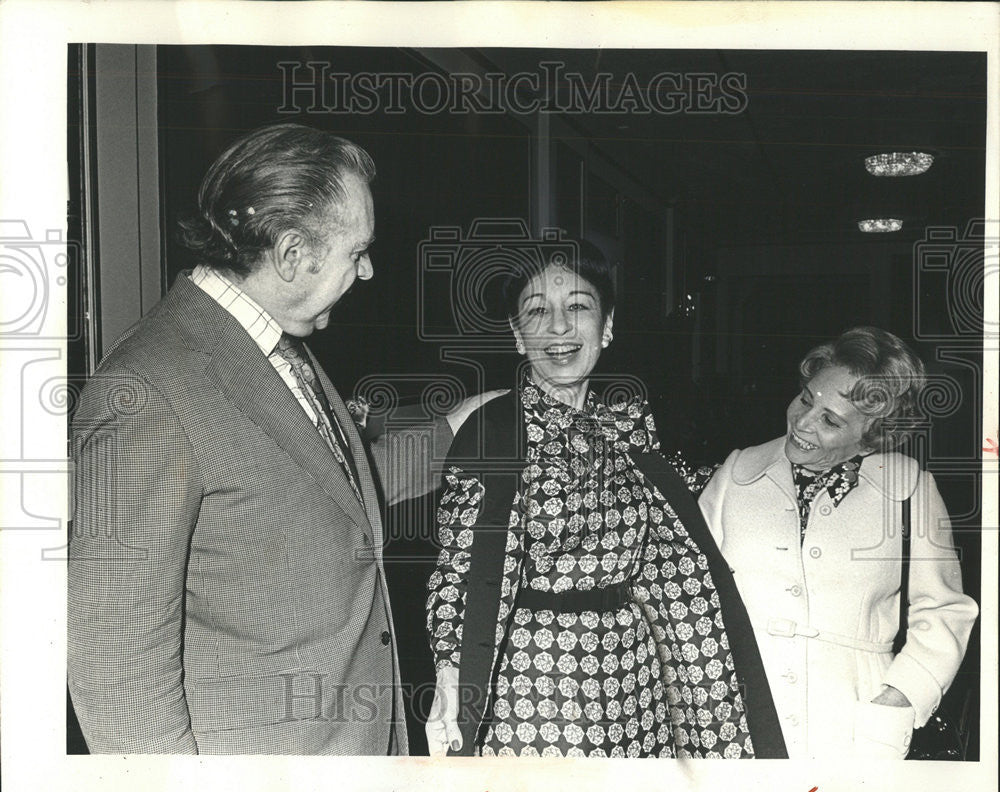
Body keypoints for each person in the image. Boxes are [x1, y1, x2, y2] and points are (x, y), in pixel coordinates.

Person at [68, 123, 485, 754]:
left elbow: (324, 494)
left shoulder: (270, 342)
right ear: (292, 255)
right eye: (358, 252)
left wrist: (456, 429)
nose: (368, 272)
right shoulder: (147, 388)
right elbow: (115, 665)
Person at [424, 242, 787, 758]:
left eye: (577, 306)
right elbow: (457, 570)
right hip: (536, 686)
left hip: (638, 683)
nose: (557, 327)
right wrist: (448, 672)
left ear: (607, 325)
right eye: (536, 311)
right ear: (516, 333)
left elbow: (673, 531)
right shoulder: (492, 431)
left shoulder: (630, 423)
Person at [698, 327, 978, 758]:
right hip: (734, 713)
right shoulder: (735, 474)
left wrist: (902, 694)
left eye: (831, 420)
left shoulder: (909, 490)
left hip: (852, 723)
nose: (803, 422)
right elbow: (685, 591)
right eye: (806, 400)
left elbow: (944, 610)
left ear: (873, 432)